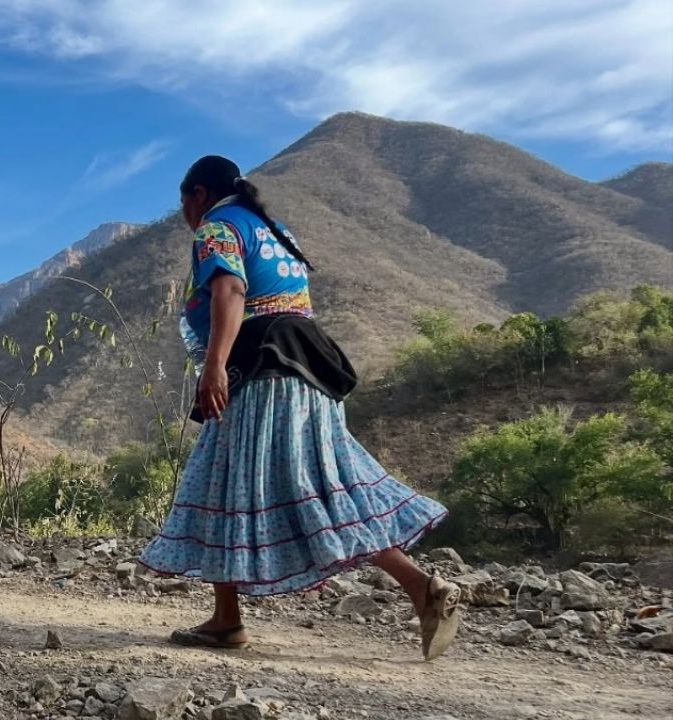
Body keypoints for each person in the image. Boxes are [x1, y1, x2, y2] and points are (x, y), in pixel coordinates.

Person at [138, 155, 462, 661]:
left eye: (184, 203)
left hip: (263, 370)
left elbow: (229, 290)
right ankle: (227, 620)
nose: (185, 213)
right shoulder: (272, 229)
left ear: (197, 195)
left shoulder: (217, 228)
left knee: (236, 481)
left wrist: (215, 366)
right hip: (308, 368)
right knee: (295, 484)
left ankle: (419, 587)